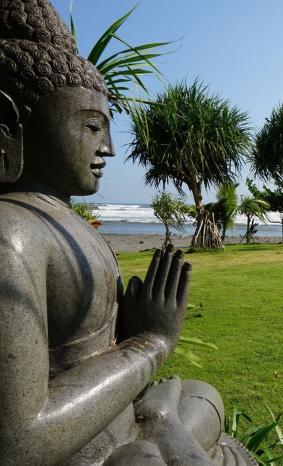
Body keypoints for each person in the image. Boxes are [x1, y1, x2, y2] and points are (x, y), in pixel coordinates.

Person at [0, 1, 253, 464]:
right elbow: (17, 441)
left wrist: (129, 330)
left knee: (204, 398)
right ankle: (163, 426)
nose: (109, 148)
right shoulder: (12, 232)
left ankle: (161, 423)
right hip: (90, 453)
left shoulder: (56, 220)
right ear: (8, 120)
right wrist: (150, 344)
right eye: (91, 126)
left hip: (121, 418)